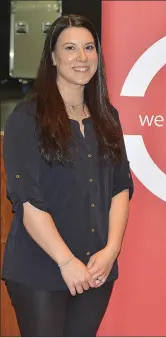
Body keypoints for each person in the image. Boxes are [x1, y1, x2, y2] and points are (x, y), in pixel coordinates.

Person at [2, 14, 133, 336]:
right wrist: (66, 262)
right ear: (53, 57)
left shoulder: (108, 117)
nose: (81, 57)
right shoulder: (27, 118)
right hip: (42, 268)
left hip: (96, 267)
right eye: (70, 48)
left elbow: (120, 188)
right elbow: (27, 200)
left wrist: (111, 250)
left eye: (89, 47)